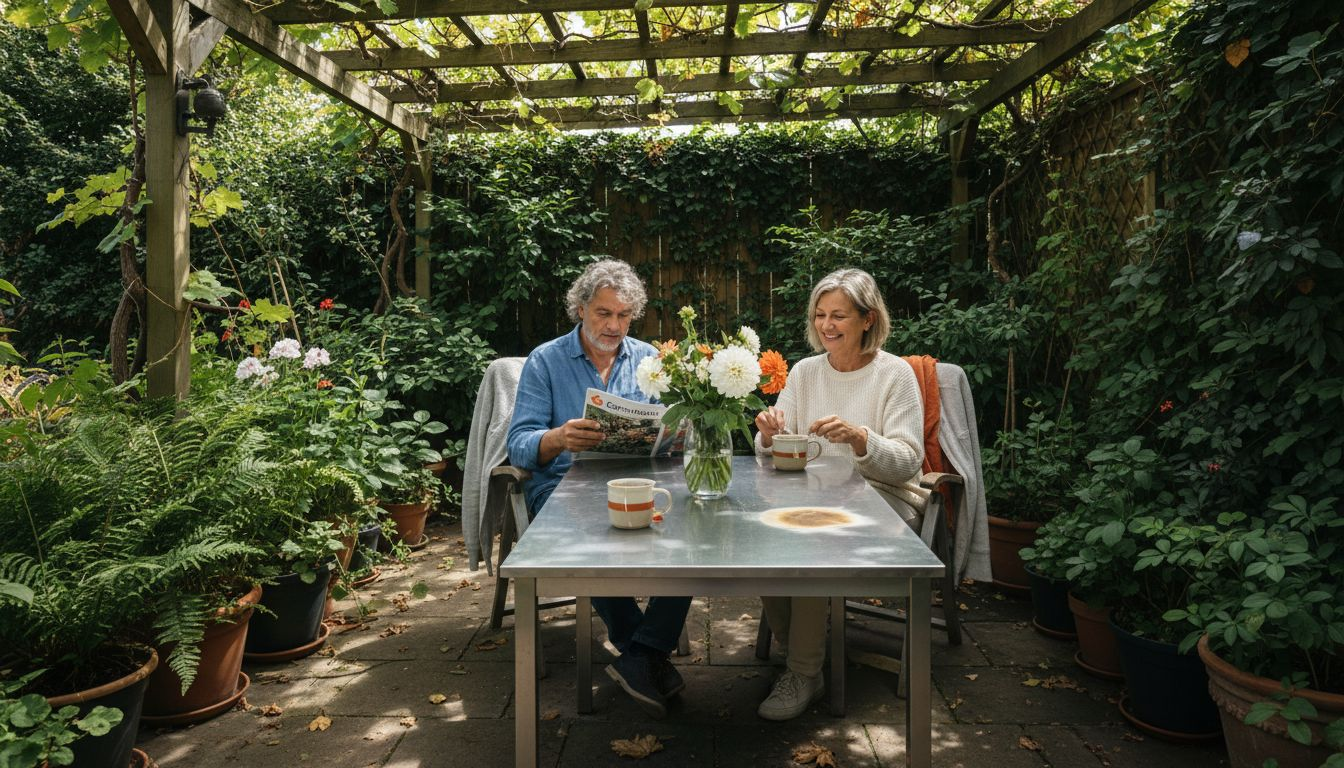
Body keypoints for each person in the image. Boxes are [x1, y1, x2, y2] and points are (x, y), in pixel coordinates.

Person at [506, 258, 692, 719]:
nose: (614, 325)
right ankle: (645, 651)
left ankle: (641, 654)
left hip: (640, 482)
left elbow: (672, 429)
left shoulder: (651, 359)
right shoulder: (546, 360)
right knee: (590, 533)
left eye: (624, 315)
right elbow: (519, 446)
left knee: (695, 535)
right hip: (563, 486)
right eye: (603, 313)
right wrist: (558, 437)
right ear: (581, 309)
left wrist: (677, 434)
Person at [751, 267, 924, 721]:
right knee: (758, 533)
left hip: (884, 498)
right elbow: (775, 446)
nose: (826, 325)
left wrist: (861, 439)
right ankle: (799, 655)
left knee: (813, 542)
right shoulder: (806, 372)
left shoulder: (895, 375)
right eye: (820, 314)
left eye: (839, 316)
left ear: (868, 319)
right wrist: (768, 434)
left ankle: (803, 671)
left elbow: (909, 461)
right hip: (811, 498)